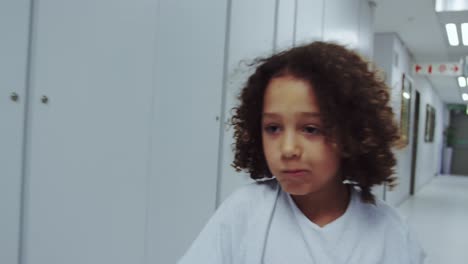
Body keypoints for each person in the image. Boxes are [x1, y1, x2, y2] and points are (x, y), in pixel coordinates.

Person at [178, 41, 426, 263]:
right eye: (273, 128)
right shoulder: (245, 213)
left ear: (351, 132)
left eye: (310, 129)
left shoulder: (391, 233)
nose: (287, 149)